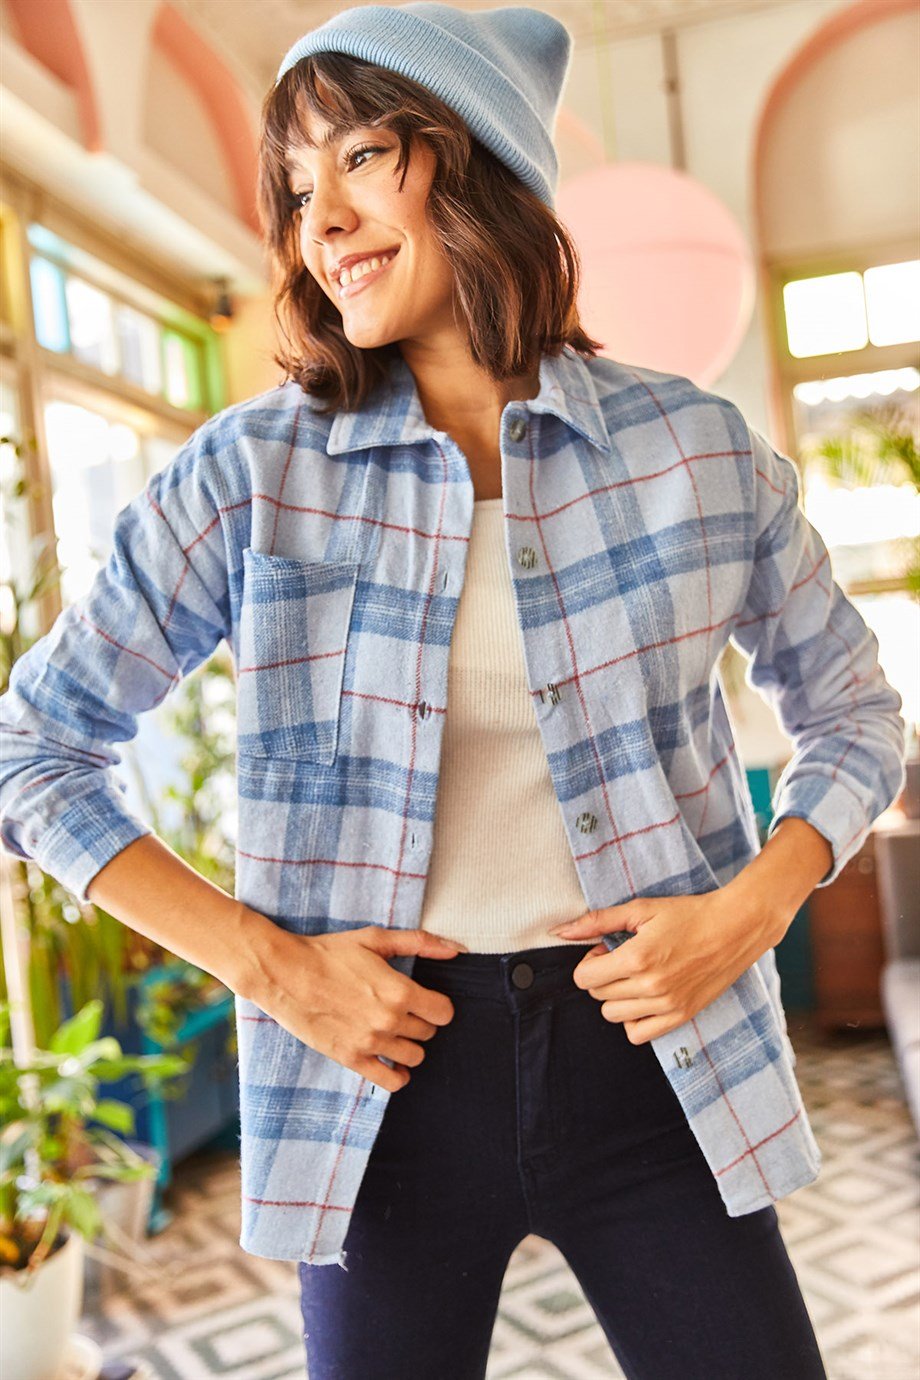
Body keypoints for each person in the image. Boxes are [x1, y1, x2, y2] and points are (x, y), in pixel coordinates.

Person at [0, 3, 908, 1377]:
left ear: (477, 156)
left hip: (654, 1064)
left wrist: (753, 907)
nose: (323, 223)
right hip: (377, 1082)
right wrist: (273, 967)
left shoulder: (695, 454)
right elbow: (31, 749)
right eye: (298, 190)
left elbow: (857, 713)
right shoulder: (252, 475)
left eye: (360, 156)